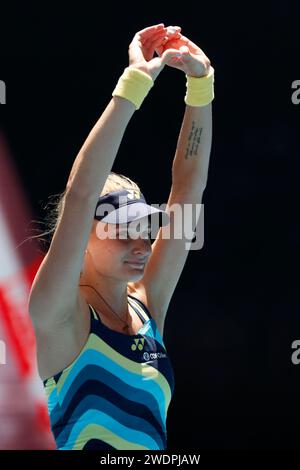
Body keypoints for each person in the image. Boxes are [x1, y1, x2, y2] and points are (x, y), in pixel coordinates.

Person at [28, 23, 214, 450]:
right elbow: (79, 197)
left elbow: (188, 189)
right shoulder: (59, 315)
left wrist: (201, 86)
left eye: (144, 229)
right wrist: (134, 85)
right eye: (121, 230)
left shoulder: (148, 306)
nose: (141, 244)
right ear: (83, 237)